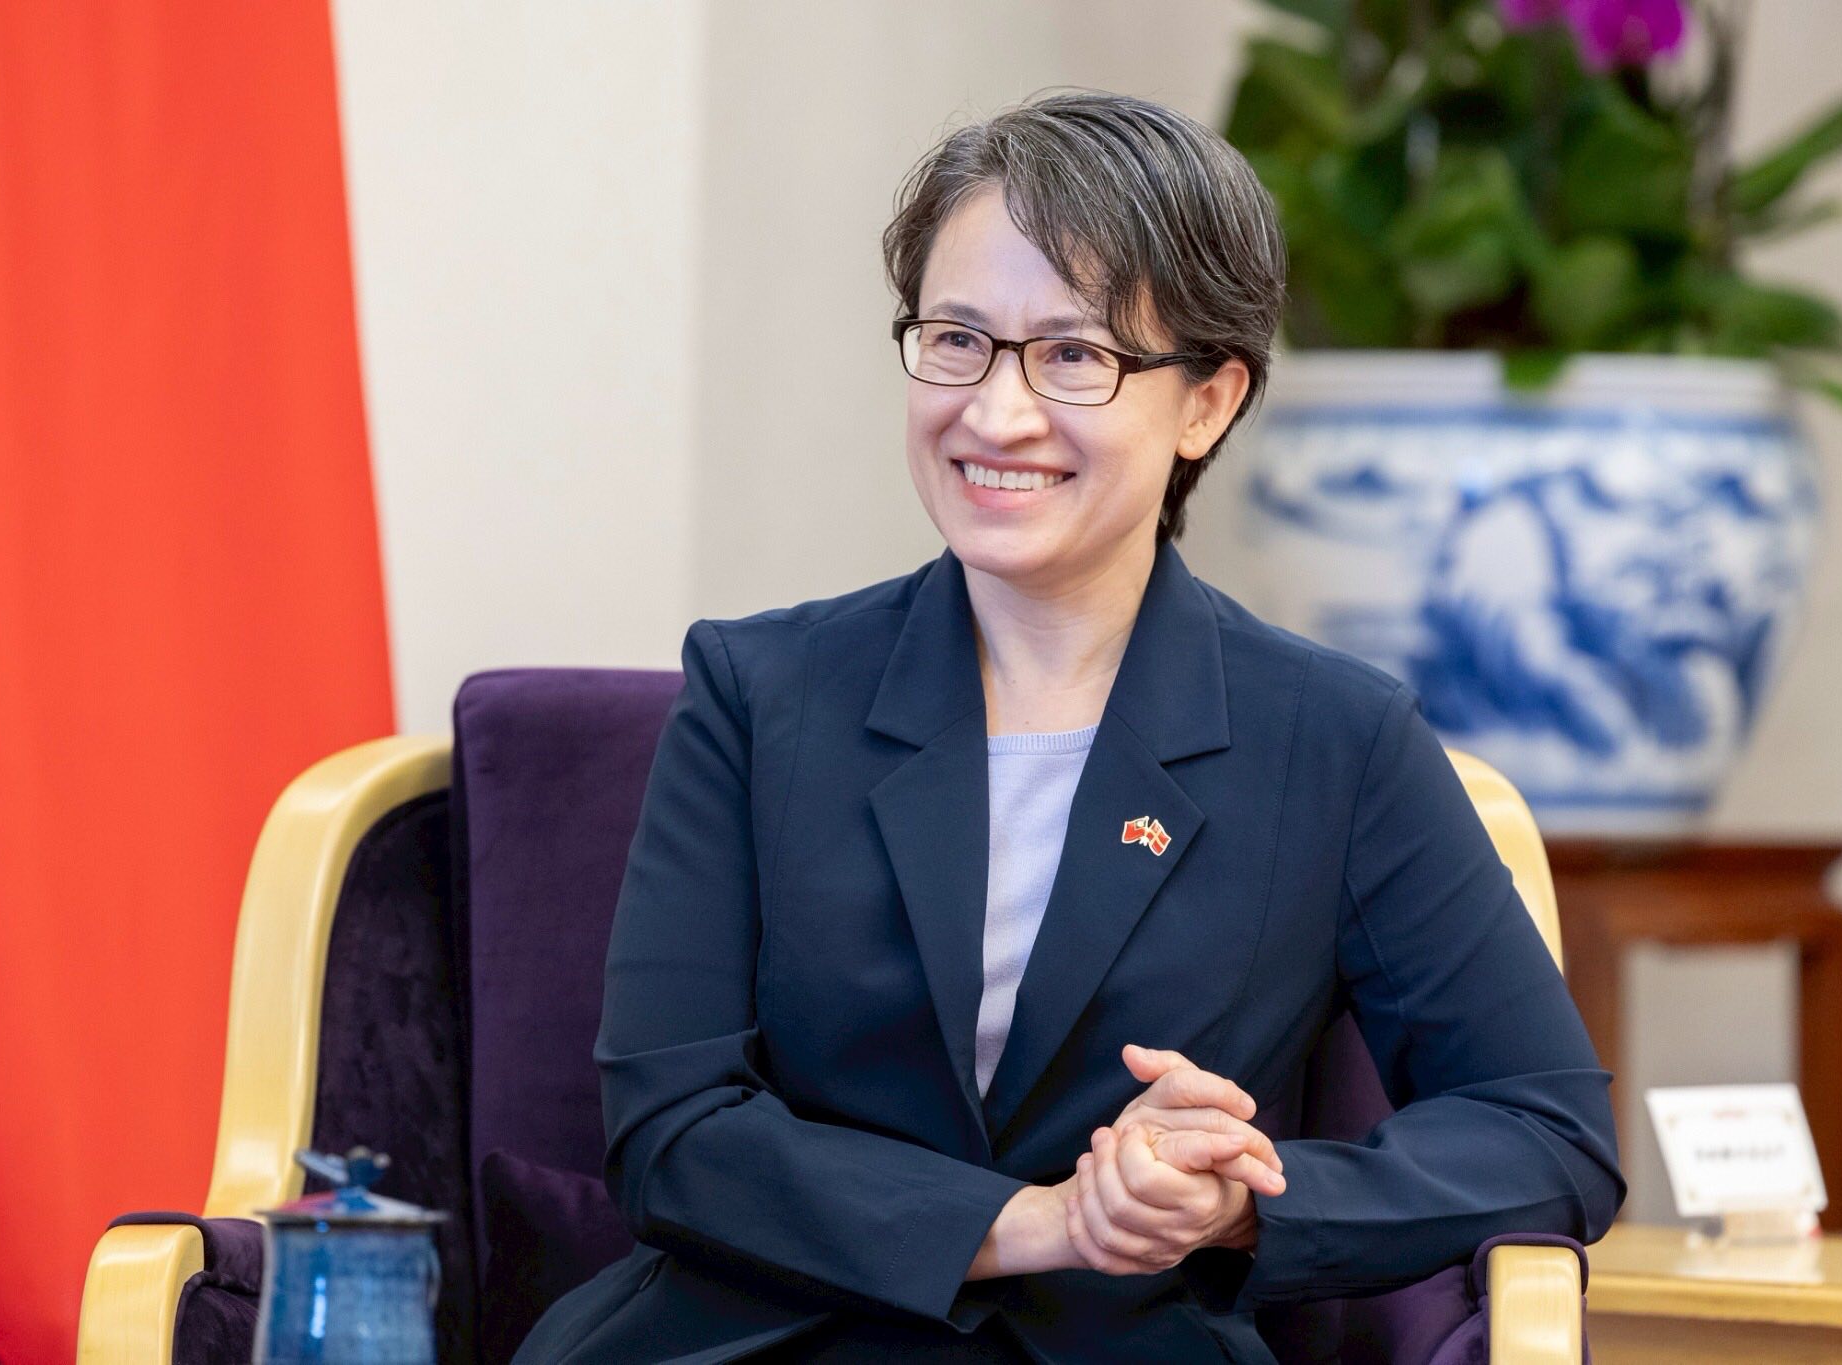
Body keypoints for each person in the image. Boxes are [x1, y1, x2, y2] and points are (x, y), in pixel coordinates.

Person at [511, 89, 1623, 1365]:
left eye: (1074, 356)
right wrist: (1034, 1223)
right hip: (767, 1341)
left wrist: (1239, 1204)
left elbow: (1545, 1129)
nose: (995, 414)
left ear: (1206, 402)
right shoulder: (760, 692)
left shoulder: (1331, 739)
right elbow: (671, 1130)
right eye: (957, 340)